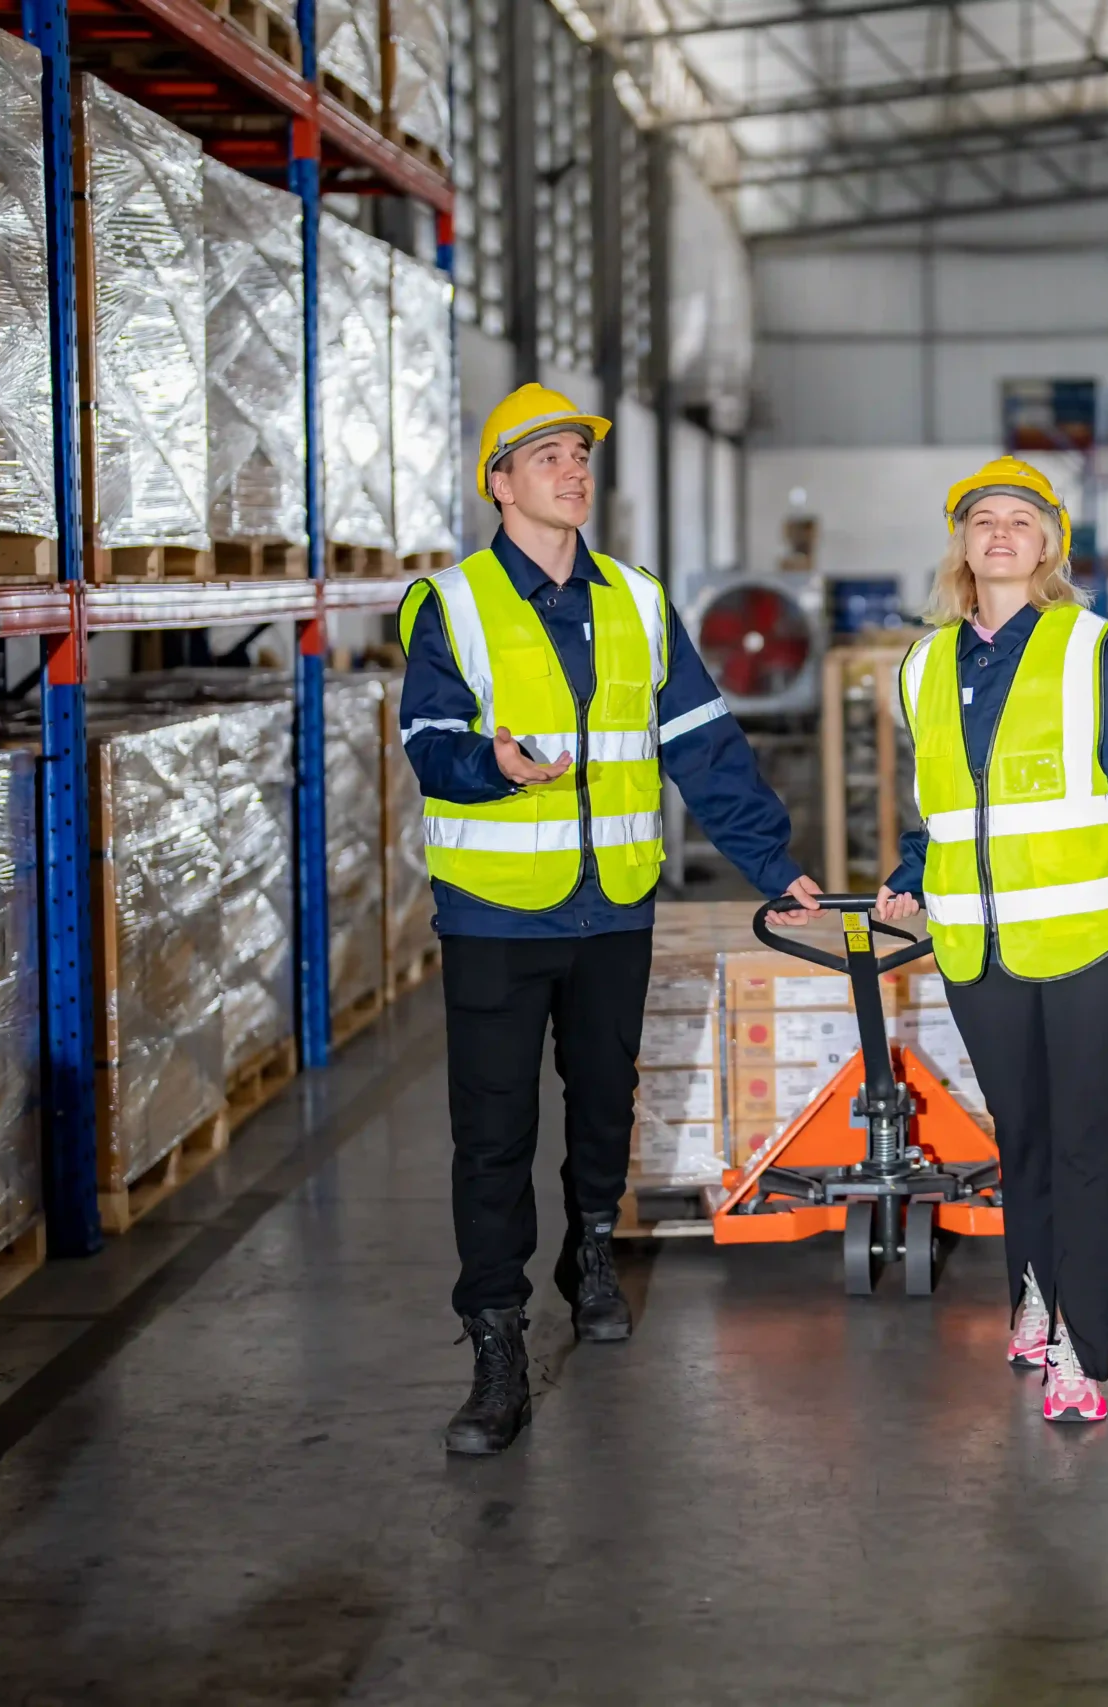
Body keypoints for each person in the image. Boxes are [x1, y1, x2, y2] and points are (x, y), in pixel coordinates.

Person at [398, 383, 824, 1457]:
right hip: (495, 914)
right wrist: (487, 765)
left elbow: (705, 749)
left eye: (580, 455)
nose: (573, 470)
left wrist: (775, 866)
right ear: (499, 482)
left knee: (602, 1104)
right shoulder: (448, 606)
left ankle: (590, 1248)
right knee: (490, 1135)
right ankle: (494, 1341)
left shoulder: (637, 602)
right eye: (547, 456)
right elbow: (429, 742)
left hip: (612, 909)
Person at [873, 456, 1108, 1426]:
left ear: (1048, 543)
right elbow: (938, 805)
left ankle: (1079, 1354)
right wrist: (907, 880)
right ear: (961, 545)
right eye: (983, 520)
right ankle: (1032, 1290)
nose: (1000, 533)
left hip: (1093, 943)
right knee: (1022, 1138)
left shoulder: (1096, 650)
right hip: (978, 947)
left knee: (1083, 1143)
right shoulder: (924, 662)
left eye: (1020, 519)